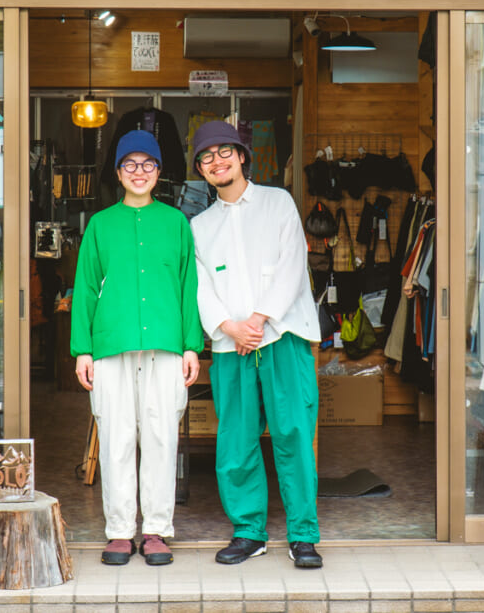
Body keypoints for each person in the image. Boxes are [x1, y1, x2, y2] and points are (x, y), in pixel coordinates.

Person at [189, 121, 323, 569]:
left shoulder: (277, 202)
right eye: (206, 157)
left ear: (242, 156)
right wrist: (230, 327)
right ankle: (249, 532)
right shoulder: (199, 226)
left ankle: (303, 535)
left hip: (283, 337)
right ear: (200, 170)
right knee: (236, 441)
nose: (217, 162)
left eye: (224, 152)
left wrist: (259, 320)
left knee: (294, 436)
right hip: (232, 346)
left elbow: (292, 264)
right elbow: (201, 287)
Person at [71, 129, 203, 567]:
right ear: (119, 172)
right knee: (116, 437)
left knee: (162, 436)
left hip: (166, 345)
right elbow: (85, 289)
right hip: (111, 345)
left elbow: (189, 288)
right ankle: (120, 531)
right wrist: (82, 350)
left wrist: (191, 346)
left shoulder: (176, 223)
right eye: (131, 164)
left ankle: (157, 530)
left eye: (148, 164)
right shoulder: (100, 225)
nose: (139, 172)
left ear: (159, 171)